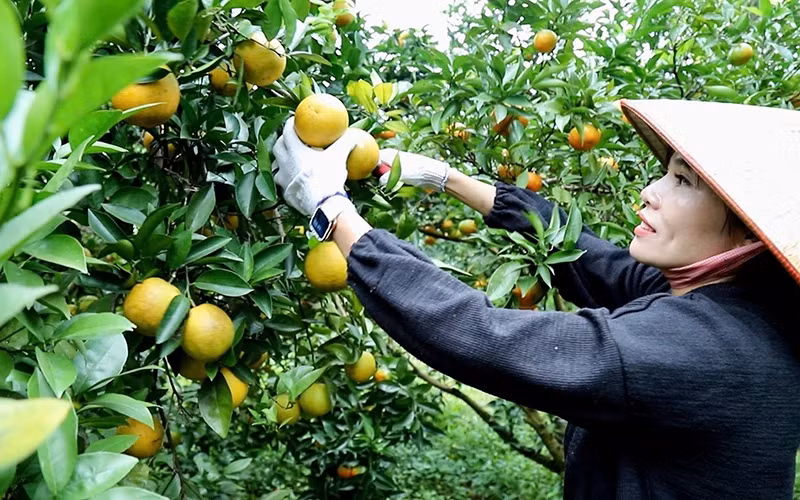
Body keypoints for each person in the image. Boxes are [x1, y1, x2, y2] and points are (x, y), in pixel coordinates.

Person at [272, 99, 800, 499]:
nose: (651, 192)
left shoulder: (704, 353)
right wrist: (443, 177)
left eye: (682, 180)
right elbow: (582, 255)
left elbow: (480, 334)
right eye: (665, 171)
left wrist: (331, 209)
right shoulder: (738, 305)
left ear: (750, 231)